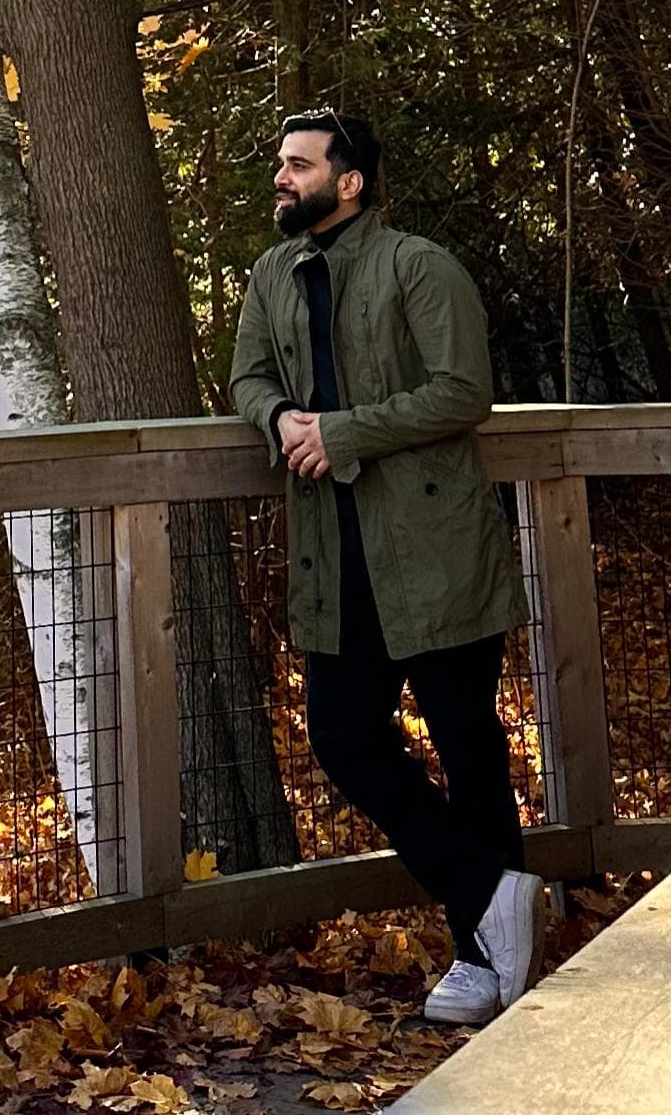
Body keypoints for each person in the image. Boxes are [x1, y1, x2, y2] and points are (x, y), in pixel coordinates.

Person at [227, 108, 539, 1025]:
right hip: (334, 553)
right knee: (343, 734)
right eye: (279, 163)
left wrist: (344, 432)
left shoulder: (419, 265)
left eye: (298, 164)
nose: (281, 177)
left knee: (468, 746)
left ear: (349, 180)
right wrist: (280, 416)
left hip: (436, 547)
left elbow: (462, 390)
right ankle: (493, 891)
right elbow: (247, 377)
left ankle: (486, 961)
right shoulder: (270, 275)